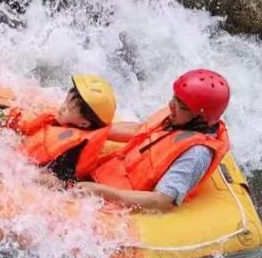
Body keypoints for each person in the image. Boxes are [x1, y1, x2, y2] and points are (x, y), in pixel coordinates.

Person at [75, 69, 231, 212]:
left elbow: (162, 201)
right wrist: (91, 128)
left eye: (181, 106)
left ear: (200, 117)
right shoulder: (179, 118)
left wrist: (102, 192)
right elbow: (139, 131)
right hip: (108, 176)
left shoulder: (196, 154)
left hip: (121, 201)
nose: (171, 105)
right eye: (174, 99)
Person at [5, 74, 117, 183]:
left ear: (84, 124)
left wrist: (23, 173)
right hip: (24, 154)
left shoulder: (75, 148)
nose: (63, 107)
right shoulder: (66, 125)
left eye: (69, 108)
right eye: (66, 102)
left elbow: (60, 181)